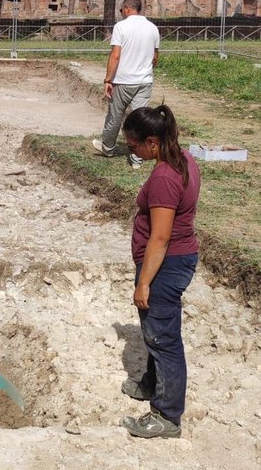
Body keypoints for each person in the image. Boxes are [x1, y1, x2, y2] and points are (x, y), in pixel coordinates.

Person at [119, 104, 200, 439]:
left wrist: (144, 283)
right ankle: (152, 384)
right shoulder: (184, 158)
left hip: (165, 266)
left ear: (152, 142)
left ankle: (166, 416)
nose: (132, 151)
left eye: (134, 145)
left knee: (163, 339)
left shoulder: (166, 177)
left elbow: (162, 236)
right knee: (156, 331)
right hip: (174, 261)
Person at [92, 0, 160, 170]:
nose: (121, 13)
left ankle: (107, 148)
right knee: (139, 119)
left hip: (122, 81)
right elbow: (155, 57)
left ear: (127, 9)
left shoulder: (121, 27)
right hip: (144, 81)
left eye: (122, 10)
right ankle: (137, 158)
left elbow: (115, 55)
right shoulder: (153, 28)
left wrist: (108, 79)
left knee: (115, 116)